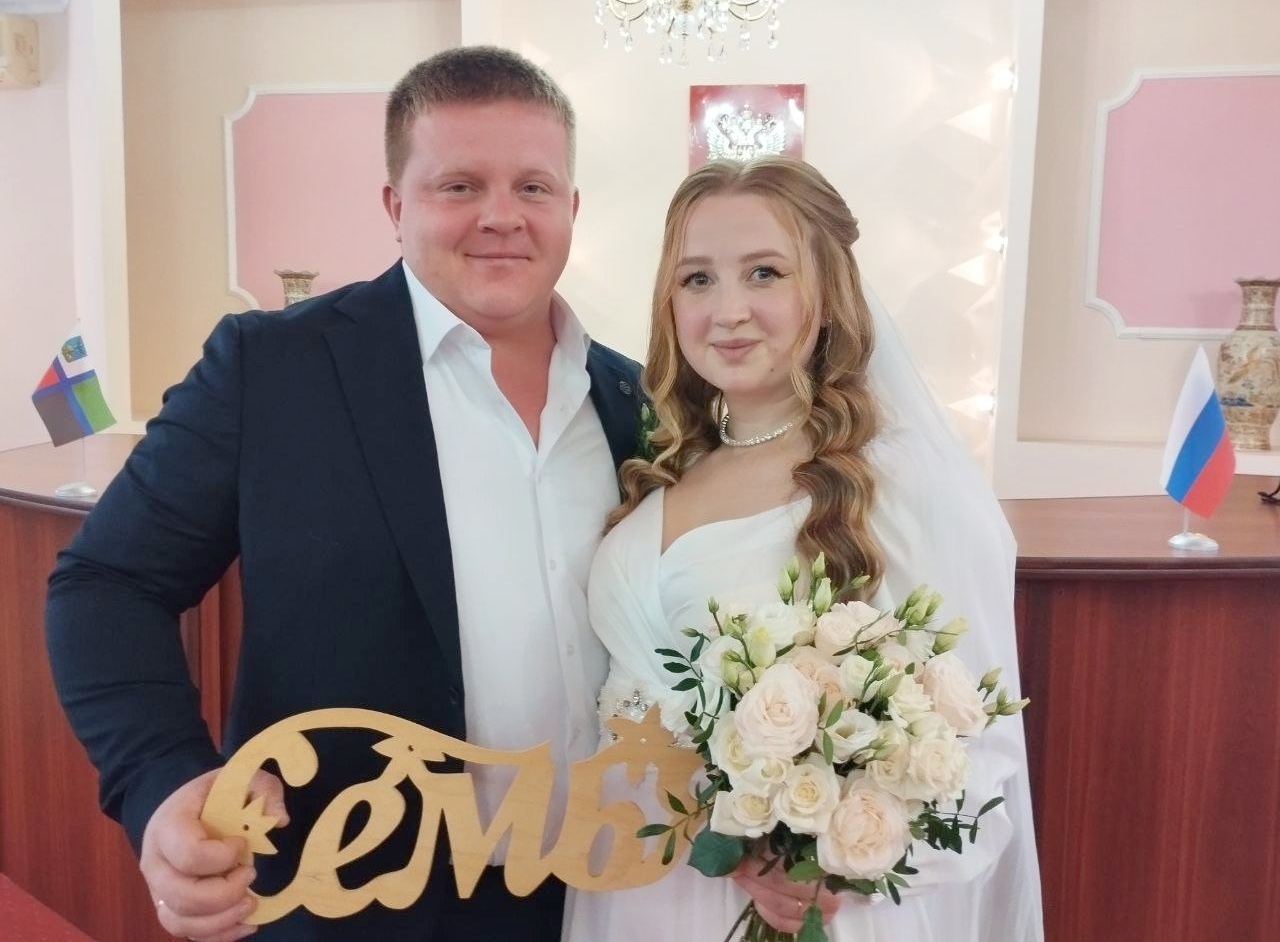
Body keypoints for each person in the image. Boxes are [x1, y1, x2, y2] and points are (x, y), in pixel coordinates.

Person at [45, 46, 645, 942]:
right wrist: (163, 777)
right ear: (396, 206)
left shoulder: (639, 399)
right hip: (355, 902)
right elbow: (107, 585)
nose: (501, 216)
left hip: (605, 896)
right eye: (459, 186)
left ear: (571, 208)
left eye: (533, 187)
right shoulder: (271, 369)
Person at [562, 157, 1044, 941]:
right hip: (637, 893)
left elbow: (979, 760)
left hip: (798, 912)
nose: (729, 310)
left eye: (765, 272)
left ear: (826, 295)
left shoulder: (896, 484)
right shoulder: (662, 470)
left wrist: (831, 864)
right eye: (697, 279)